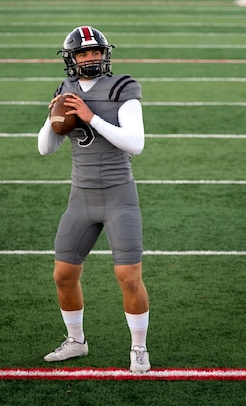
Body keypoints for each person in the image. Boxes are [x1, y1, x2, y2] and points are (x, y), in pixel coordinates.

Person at [37, 26, 150, 372]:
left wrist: (91, 117)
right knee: (63, 274)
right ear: (71, 59)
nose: (91, 58)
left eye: (96, 52)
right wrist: (53, 118)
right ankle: (76, 341)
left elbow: (136, 144)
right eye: (84, 53)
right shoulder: (66, 90)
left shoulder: (122, 88)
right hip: (81, 197)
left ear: (105, 54)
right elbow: (45, 148)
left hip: (118, 196)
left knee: (129, 276)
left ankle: (138, 348)